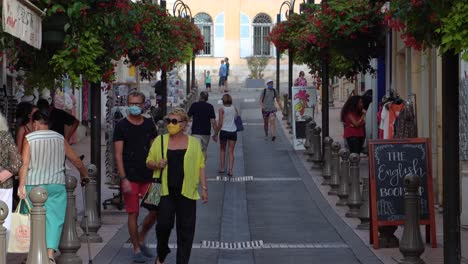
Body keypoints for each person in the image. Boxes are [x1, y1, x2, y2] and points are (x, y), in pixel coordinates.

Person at [17, 110, 89, 263]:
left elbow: (25, 164)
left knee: (30, 218)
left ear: (35, 123)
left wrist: (21, 185)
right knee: (54, 220)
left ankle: (32, 253)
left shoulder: (29, 138)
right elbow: (75, 159)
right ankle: (49, 255)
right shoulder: (59, 138)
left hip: (33, 185)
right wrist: (84, 174)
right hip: (56, 184)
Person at [146, 108, 208, 264]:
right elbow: (148, 162)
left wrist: (204, 188)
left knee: (186, 230)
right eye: (168, 121)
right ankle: (162, 252)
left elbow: (201, 165)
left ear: (184, 124)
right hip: (163, 191)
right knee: (163, 226)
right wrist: (157, 164)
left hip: (186, 192)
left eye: (174, 121)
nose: (170, 124)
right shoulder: (160, 141)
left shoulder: (194, 143)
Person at [113, 91, 158, 263]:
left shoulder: (149, 124)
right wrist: (123, 178)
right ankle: (136, 248)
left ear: (143, 104)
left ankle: (141, 236)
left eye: (138, 104)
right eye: (132, 103)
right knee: (133, 213)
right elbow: (118, 155)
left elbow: (154, 147)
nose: (135, 106)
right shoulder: (121, 126)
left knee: (156, 210)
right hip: (130, 177)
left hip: (150, 175)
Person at [0, 112, 22, 239]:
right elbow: (17, 162)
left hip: (3, 187)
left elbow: (17, 162)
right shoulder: (6, 137)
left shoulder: (5, 138)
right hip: (4, 186)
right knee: (4, 222)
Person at [188, 91, 217, 161]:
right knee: (204, 150)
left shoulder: (194, 105)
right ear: (207, 98)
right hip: (206, 132)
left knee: (196, 150)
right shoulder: (210, 107)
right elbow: (213, 121)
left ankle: (197, 167)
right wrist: (216, 133)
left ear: (200, 97)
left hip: (196, 132)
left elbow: (187, 117)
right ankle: (202, 166)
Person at [213, 94, 237, 176]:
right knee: (231, 151)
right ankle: (231, 170)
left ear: (223, 101)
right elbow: (236, 118)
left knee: (222, 150)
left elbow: (220, 123)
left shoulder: (221, 109)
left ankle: (222, 168)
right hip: (233, 131)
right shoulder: (234, 108)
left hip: (224, 131)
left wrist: (215, 133)